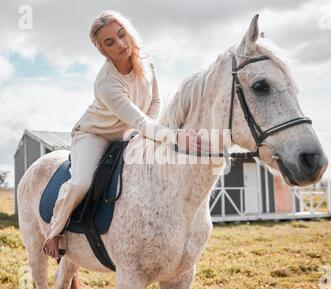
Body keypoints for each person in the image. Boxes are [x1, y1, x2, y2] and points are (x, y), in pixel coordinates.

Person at [42, 10, 210, 259]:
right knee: (81, 182)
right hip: (94, 134)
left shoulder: (147, 61)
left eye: (122, 35)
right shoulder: (106, 83)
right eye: (110, 42)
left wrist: (150, 133)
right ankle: (54, 231)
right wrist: (174, 136)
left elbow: (155, 101)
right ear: (103, 51)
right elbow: (139, 120)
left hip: (131, 133)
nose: (120, 44)